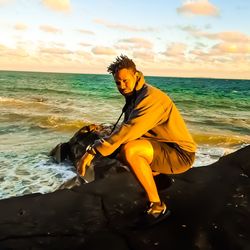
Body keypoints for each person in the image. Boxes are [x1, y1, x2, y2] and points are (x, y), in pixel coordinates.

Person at [78, 55, 196, 224]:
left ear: (136, 75)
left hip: (180, 154)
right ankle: (157, 178)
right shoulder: (135, 95)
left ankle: (158, 207)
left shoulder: (150, 98)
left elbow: (129, 131)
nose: (122, 86)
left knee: (130, 150)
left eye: (125, 81)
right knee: (117, 148)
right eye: (118, 82)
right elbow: (129, 131)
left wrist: (92, 151)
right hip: (161, 146)